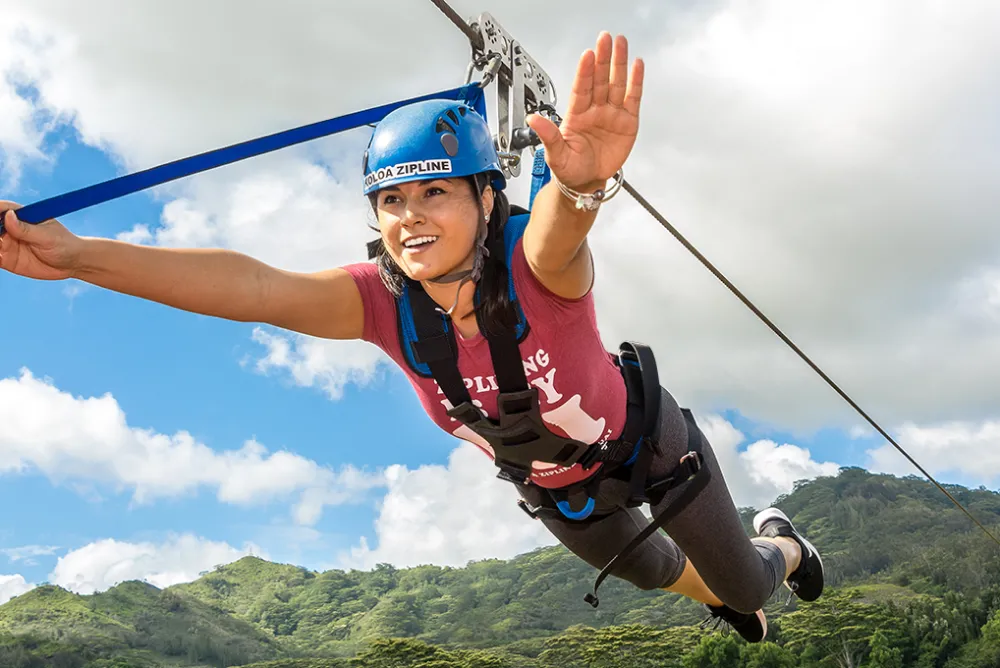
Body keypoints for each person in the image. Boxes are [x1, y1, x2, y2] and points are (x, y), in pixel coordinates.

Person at [0, 32, 822, 642]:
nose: (410, 218)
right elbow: (252, 288)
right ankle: (713, 592)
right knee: (646, 572)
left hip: (649, 448)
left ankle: (779, 544)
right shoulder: (380, 303)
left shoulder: (537, 266)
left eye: (434, 193)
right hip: (557, 486)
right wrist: (76, 258)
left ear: (487, 201)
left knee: (747, 588)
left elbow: (562, 234)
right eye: (391, 202)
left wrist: (580, 187)